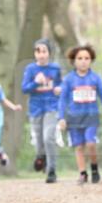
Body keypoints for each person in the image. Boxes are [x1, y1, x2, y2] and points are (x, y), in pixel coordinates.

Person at [58, 45, 102, 185]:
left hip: (91, 117)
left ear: (91, 60)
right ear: (74, 61)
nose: (83, 61)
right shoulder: (69, 79)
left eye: (87, 58)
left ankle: (94, 168)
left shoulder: (95, 78)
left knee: (90, 143)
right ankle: (83, 173)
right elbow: (63, 100)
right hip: (74, 118)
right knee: (78, 146)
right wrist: (61, 118)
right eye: (80, 58)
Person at [21, 38, 62, 183]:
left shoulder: (55, 69)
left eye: (44, 51)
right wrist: (35, 82)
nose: (41, 54)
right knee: (39, 142)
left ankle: (52, 171)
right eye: (38, 51)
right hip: (35, 109)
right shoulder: (30, 69)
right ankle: (41, 156)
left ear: (49, 53)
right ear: (35, 54)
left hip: (51, 107)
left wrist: (60, 89)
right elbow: (24, 88)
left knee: (48, 138)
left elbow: (62, 85)